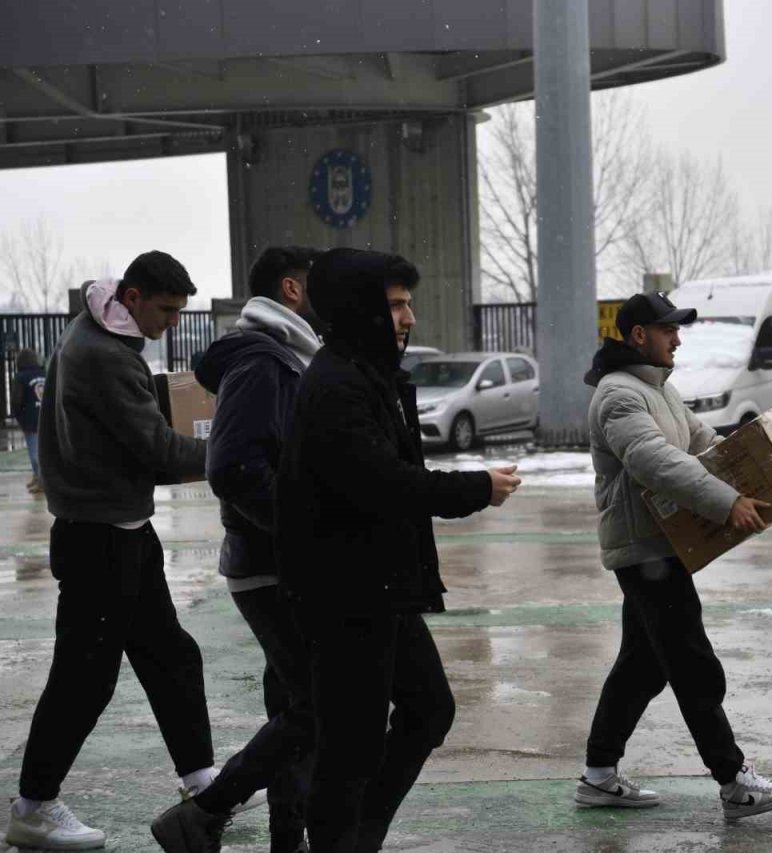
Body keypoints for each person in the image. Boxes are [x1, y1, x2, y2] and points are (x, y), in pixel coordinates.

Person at [164, 248, 520, 853]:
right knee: (335, 735)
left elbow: (379, 474)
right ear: (362, 309)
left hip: (371, 581)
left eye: (409, 303)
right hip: (333, 582)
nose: (409, 318)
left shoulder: (358, 372)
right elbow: (365, 478)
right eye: (397, 305)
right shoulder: (322, 379)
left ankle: (331, 832)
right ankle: (247, 822)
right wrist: (472, 489)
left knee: (404, 713)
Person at [5, 252, 214, 851]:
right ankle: (33, 806)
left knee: (170, 655)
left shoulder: (91, 331)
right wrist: (228, 451)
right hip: (98, 537)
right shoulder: (104, 355)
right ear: (132, 296)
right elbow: (156, 448)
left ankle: (200, 777)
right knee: (84, 679)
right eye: (167, 311)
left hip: (119, 528)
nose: (172, 323)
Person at [575, 291, 772, 820]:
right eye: (668, 329)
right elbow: (654, 462)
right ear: (637, 336)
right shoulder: (618, 396)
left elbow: (702, 445)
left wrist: (759, 462)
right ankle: (734, 782)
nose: (678, 338)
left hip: (660, 547)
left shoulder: (660, 390)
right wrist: (726, 502)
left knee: (643, 666)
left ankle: (599, 775)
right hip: (644, 551)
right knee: (691, 662)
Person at [150, 247, 324, 853]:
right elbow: (234, 469)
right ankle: (204, 813)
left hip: (276, 563)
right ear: (292, 290)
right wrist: (302, 529)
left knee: (297, 706)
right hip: (271, 566)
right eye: (318, 285)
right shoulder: (263, 359)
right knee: (321, 704)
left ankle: (287, 834)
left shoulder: (286, 356)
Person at [9, 348, 45, 493]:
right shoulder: (44, 374)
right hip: (45, 418)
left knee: (34, 453)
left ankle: (41, 481)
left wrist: (20, 418)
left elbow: (16, 400)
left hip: (30, 420)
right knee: (43, 451)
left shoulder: (20, 377)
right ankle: (38, 477)